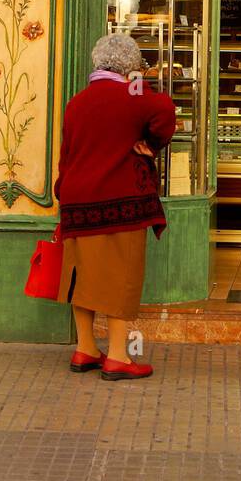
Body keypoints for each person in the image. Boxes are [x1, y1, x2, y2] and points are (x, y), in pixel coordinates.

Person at [55, 33, 176, 382]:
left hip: (77, 201)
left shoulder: (77, 102)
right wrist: (151, 145)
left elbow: (67, 154)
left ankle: (86, 348)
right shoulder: (133, 94)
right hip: (120, 201)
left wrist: (63, 194)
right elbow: (166, 109)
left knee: (82, 277)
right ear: (131, 66)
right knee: (121, 277)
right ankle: (119, 356)